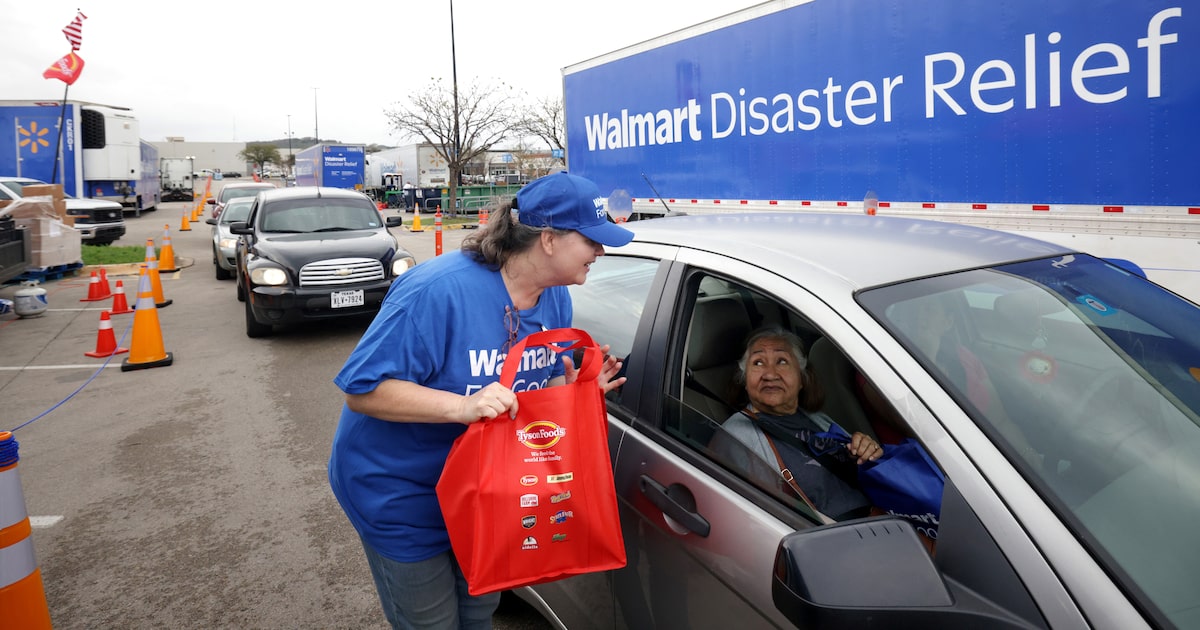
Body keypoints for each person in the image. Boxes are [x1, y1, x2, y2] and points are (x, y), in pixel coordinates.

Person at [328, 171, 632, 629]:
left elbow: (524, 396)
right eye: (592, 240)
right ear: (548, 239)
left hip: (484, 493)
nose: (601, 251)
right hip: (403, 492)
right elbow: (363, 391)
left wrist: (572, 396)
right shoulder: (437, 291)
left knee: (477, 613)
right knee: (432, 621)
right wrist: (461, 407)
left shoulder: (555, 302)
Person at [711, 327, 883, 521]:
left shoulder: (815, 417)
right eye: (758, 363)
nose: (770, 374)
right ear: (745, 380)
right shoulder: (735, 436)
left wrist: (864, 451)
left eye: (782, 361)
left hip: (878, 518)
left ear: (802, 378)